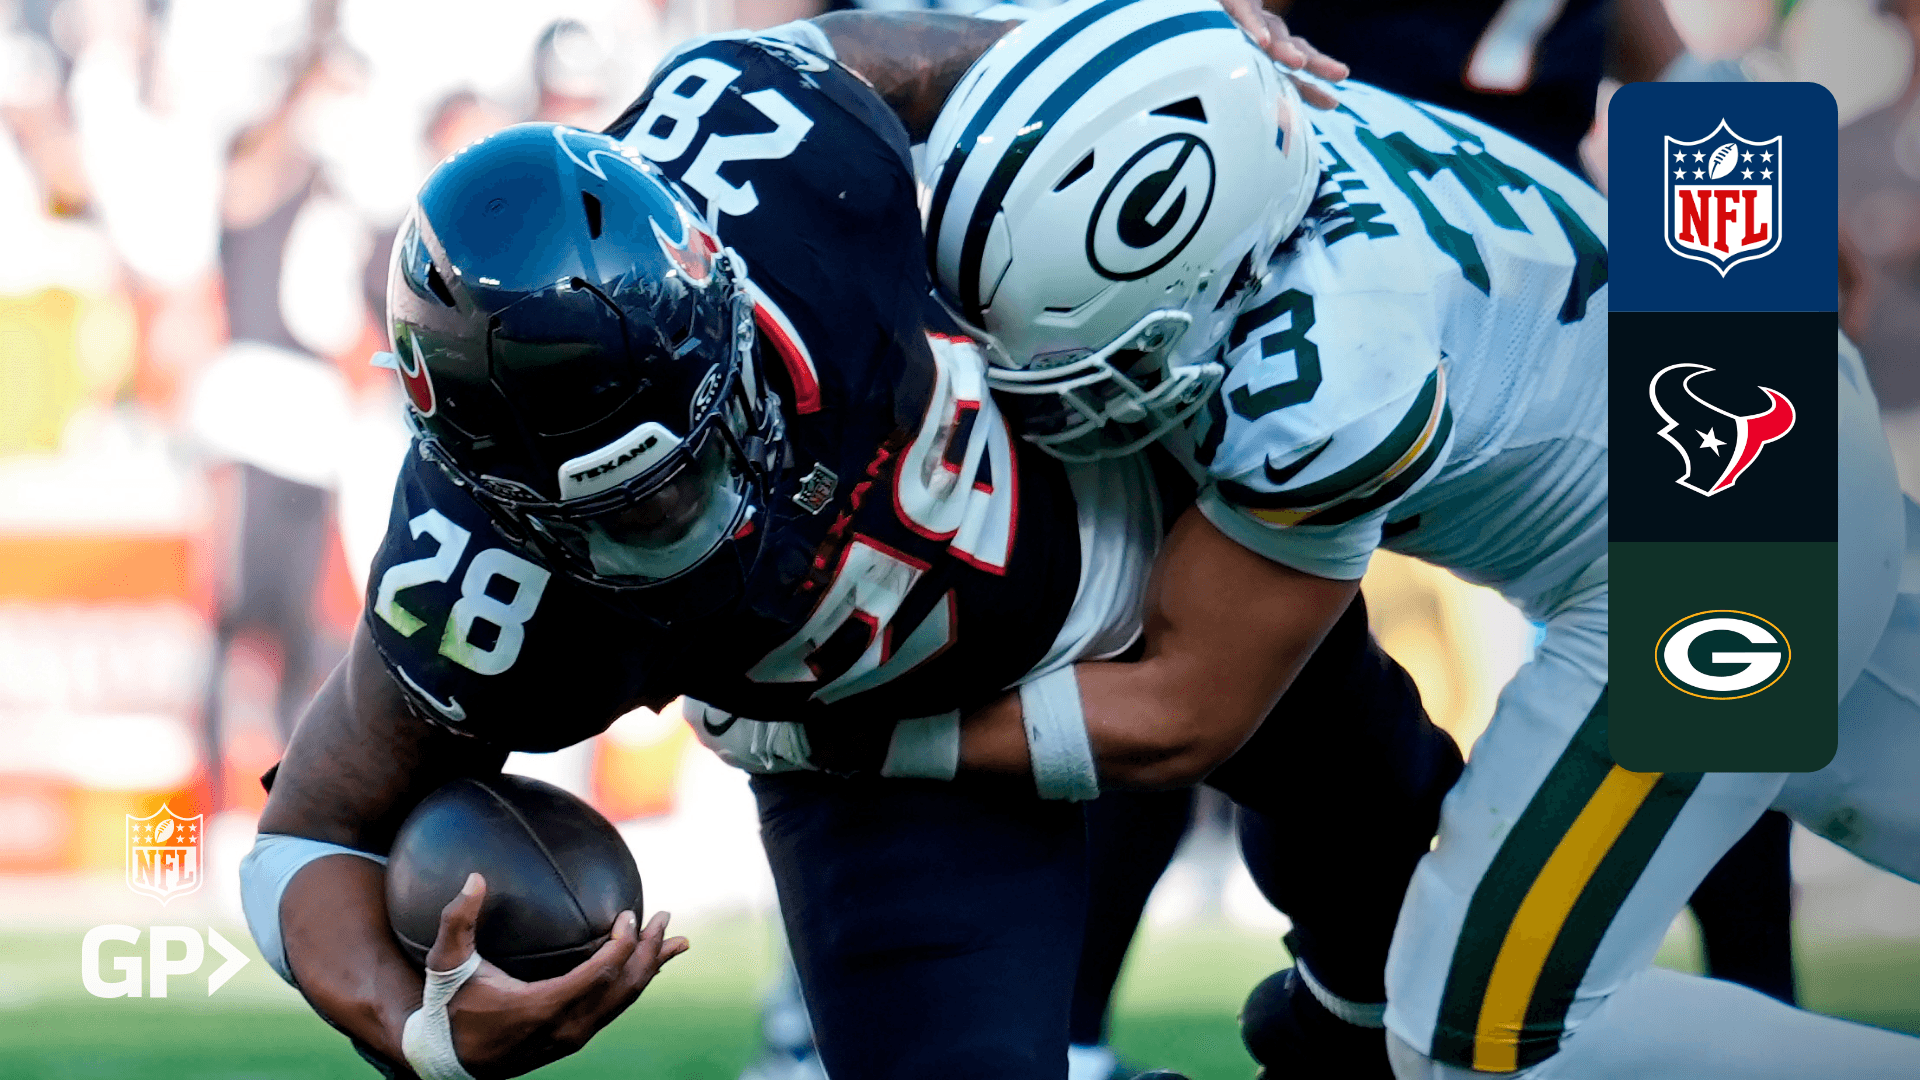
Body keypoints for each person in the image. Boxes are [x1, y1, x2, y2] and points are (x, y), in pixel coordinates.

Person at [239, 8, 1461, 1080]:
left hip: (1128, 537)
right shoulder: (477, 582)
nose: (686, 523)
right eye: (618, 520)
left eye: (696, 461)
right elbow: (307, 832)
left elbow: (904, 59)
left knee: (1413, 884)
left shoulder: (775, 163)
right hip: (885, 775)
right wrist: (424, 1034)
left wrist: (1137, 64)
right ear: (504, 504)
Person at [878, 1, 1920, 1075]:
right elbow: (1676, 75)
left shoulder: (1320, 379)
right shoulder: (1245, 97)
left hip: (1718, 509)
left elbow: (1185, 712)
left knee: (1475, 1043)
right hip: (1749, 356)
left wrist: (867, 737)